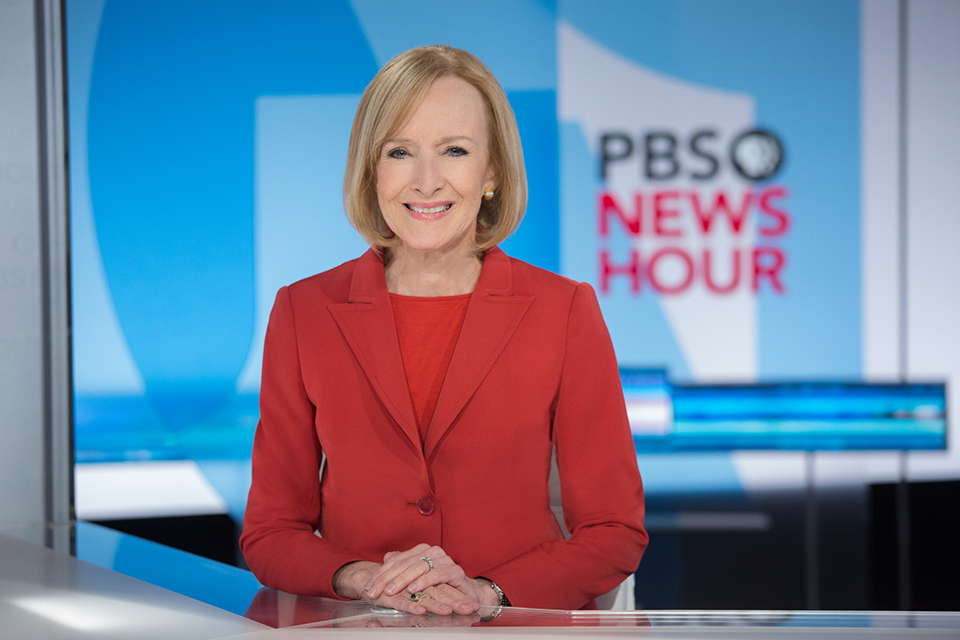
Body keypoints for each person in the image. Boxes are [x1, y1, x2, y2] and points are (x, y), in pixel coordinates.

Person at [240, 44, 647, 615]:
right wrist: (365, 578)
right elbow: (269, 532)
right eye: (400, 152)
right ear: (371, 170)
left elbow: (613, 532)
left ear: (492, 172)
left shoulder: (565, 311)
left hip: (514, 626)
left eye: (454, 150)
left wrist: (484, 594)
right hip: (361, 625)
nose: (426, 181)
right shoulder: (303, 311)